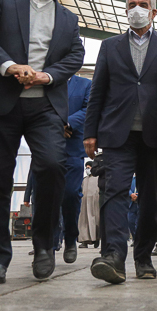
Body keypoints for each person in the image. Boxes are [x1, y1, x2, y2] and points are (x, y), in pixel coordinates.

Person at [0, 0, 85, 284]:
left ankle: (45, 246)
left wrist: (47, 76)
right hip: (1, 104)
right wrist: (9, 66)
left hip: (44, 107)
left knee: (51, 166)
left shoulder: (68, 18)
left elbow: (76, 55)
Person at [84, 0, 157, 284]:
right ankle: (113, 257)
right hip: (117, 133)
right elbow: (98, 90)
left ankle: (143, 257)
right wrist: (90, 132)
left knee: (150, 199)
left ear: (154, 12)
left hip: (156, 133)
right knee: (114, 191)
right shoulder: (110, 46)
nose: (137, 9)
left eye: (143, 5)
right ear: (126, 11)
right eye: (132, 5)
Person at [61, 74, 92, 263]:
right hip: (46, 143)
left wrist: (65, 123)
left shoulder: (85, 84)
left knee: (71, 194)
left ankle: (70, 238)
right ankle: (46, 246)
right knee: (45, 195)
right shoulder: (43, 81)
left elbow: (88, 108)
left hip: (72, 146)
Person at [79, 160, 100, 248]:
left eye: (89, 167)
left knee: (95, 221)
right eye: (86, 168)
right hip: (84, 204)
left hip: (94, 204)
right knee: (84, 222)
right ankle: (84, 241)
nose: (87, 169)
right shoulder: (84, 180)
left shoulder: (98, 178)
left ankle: (96, 239)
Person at [128, 175, 139, 241]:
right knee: (130, 222)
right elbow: (126, 187)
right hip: (132, 204)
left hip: (140, 203)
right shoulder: (131, 178)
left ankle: (138, 240)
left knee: (138, 224)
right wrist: (131, 194)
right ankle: (135, 239)